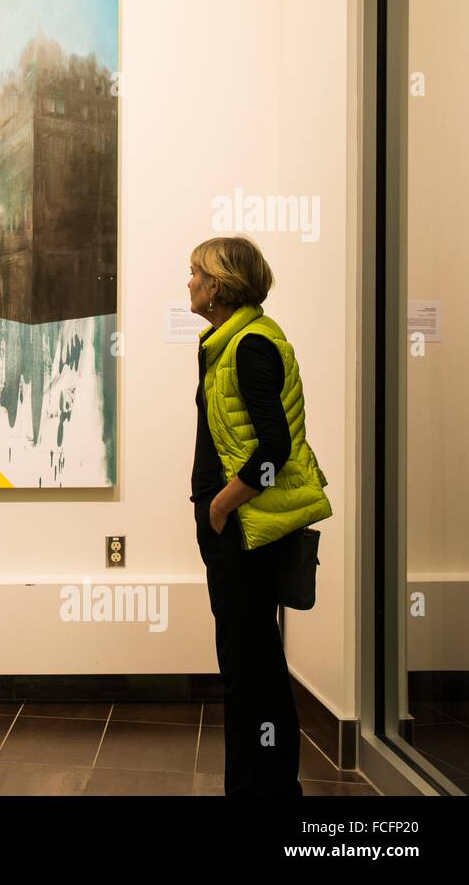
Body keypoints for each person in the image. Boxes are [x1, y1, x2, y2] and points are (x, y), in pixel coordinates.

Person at [186, 235, 332, 795]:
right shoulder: (232, 343)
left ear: (217, 286)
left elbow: (274, 447)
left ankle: (253, 790)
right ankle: (274, 788)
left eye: (195, 273)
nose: (189, 282)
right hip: (240, 533)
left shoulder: (249, 347)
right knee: (262, 667)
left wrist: (220, 508)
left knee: (247, 675)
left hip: (244, 535)